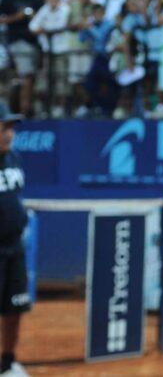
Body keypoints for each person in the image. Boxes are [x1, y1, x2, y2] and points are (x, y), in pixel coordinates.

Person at [0, 103, 29, 377]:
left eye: (11, 128)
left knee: (15, 307)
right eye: (4, 127)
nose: (10, 133)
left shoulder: (14, 158)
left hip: (15, 248)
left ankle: (7, 363)